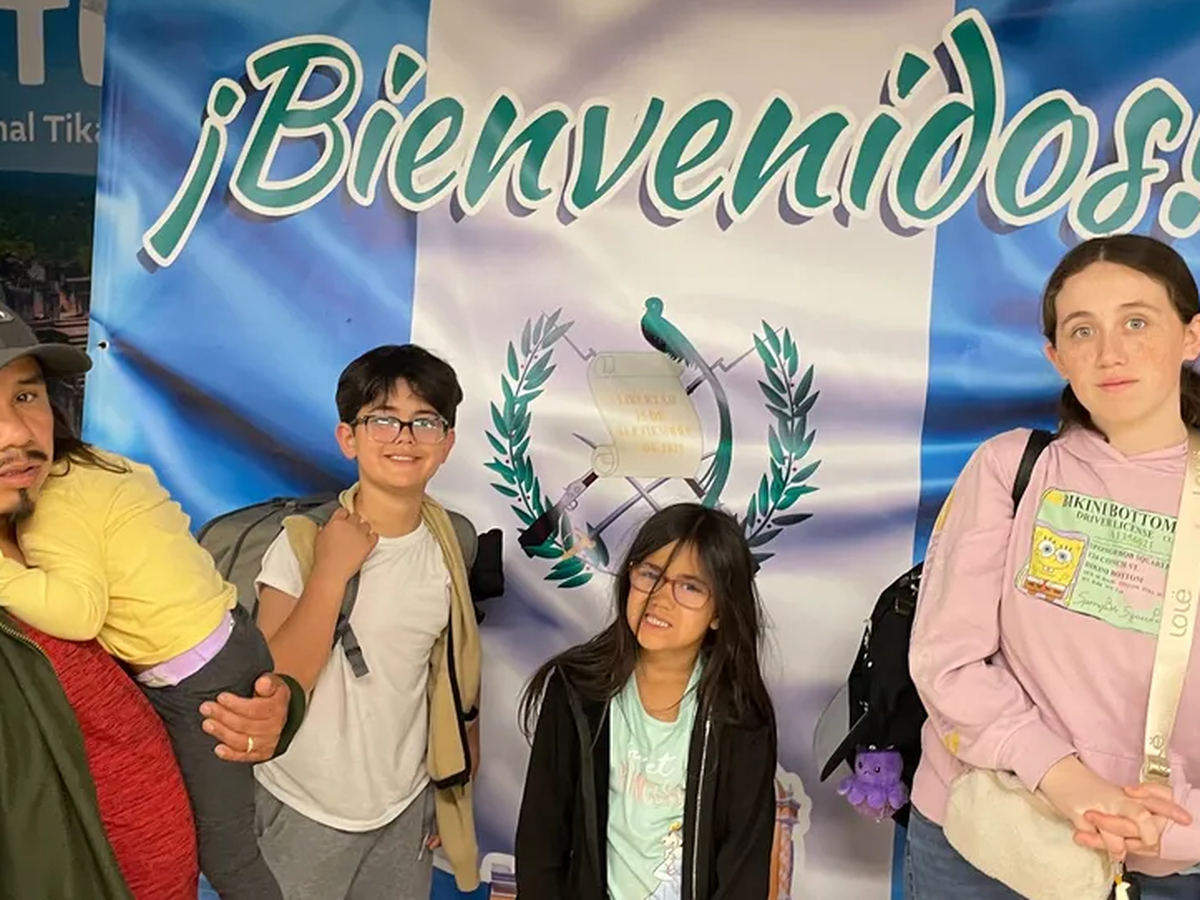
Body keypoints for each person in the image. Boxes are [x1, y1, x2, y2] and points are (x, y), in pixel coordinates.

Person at [906, 234, 1200, 900]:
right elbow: (947, 663)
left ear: (1190, 336)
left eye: (1136, 322)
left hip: (1168, 858)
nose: (1110, 353)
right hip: (989, 839)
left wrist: (1175, 827)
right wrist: (1063, 778)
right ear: (1056, 356)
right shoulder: (1012, 468)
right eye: (1082, 330)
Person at [0, 307, 304, 900]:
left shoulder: (57, 513)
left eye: (27, 396)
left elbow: (168, 642)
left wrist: (278, 711)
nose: (16, 431)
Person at [252, 344, 482, 899]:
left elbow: (448, 668)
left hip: (404, 808)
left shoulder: (450, 544)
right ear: (348, 438)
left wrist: (453, 779)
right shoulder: (302, 543)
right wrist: (332, 571)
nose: (404, 437)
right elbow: (275, 684)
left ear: (446, 443)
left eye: (424, 421)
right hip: (302, 803)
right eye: (382, 419)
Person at [515, 503, 778, 900]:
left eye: (690, 587)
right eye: (651, 574)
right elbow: (542, 839)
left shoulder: (741, 715)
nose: (660, 597)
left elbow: (744, 868)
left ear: (719, 613)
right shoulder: (576, 689)